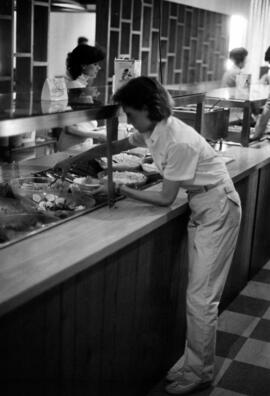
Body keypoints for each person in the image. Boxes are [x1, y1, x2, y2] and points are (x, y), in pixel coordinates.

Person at [54, 76, 242, 394]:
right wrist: (76, 158)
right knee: (198, 295)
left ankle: (200, 371)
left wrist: (120, 187)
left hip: (217, 208)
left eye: (131, 113)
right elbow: (116, 145)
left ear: (147, 108)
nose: (128, 119)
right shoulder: (154, 130)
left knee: (201, 298)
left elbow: (166, 198)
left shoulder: (177, 139)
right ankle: (195, 359)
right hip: (203, 206)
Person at [57, 44, 106, 151]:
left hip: (82, 144)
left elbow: (83, 123)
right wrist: (98, 135)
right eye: (95, 64)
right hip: (72, 147)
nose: (99, 67)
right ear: (84, 65)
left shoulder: (81, 86)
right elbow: (69, 128)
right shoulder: (74, 87)